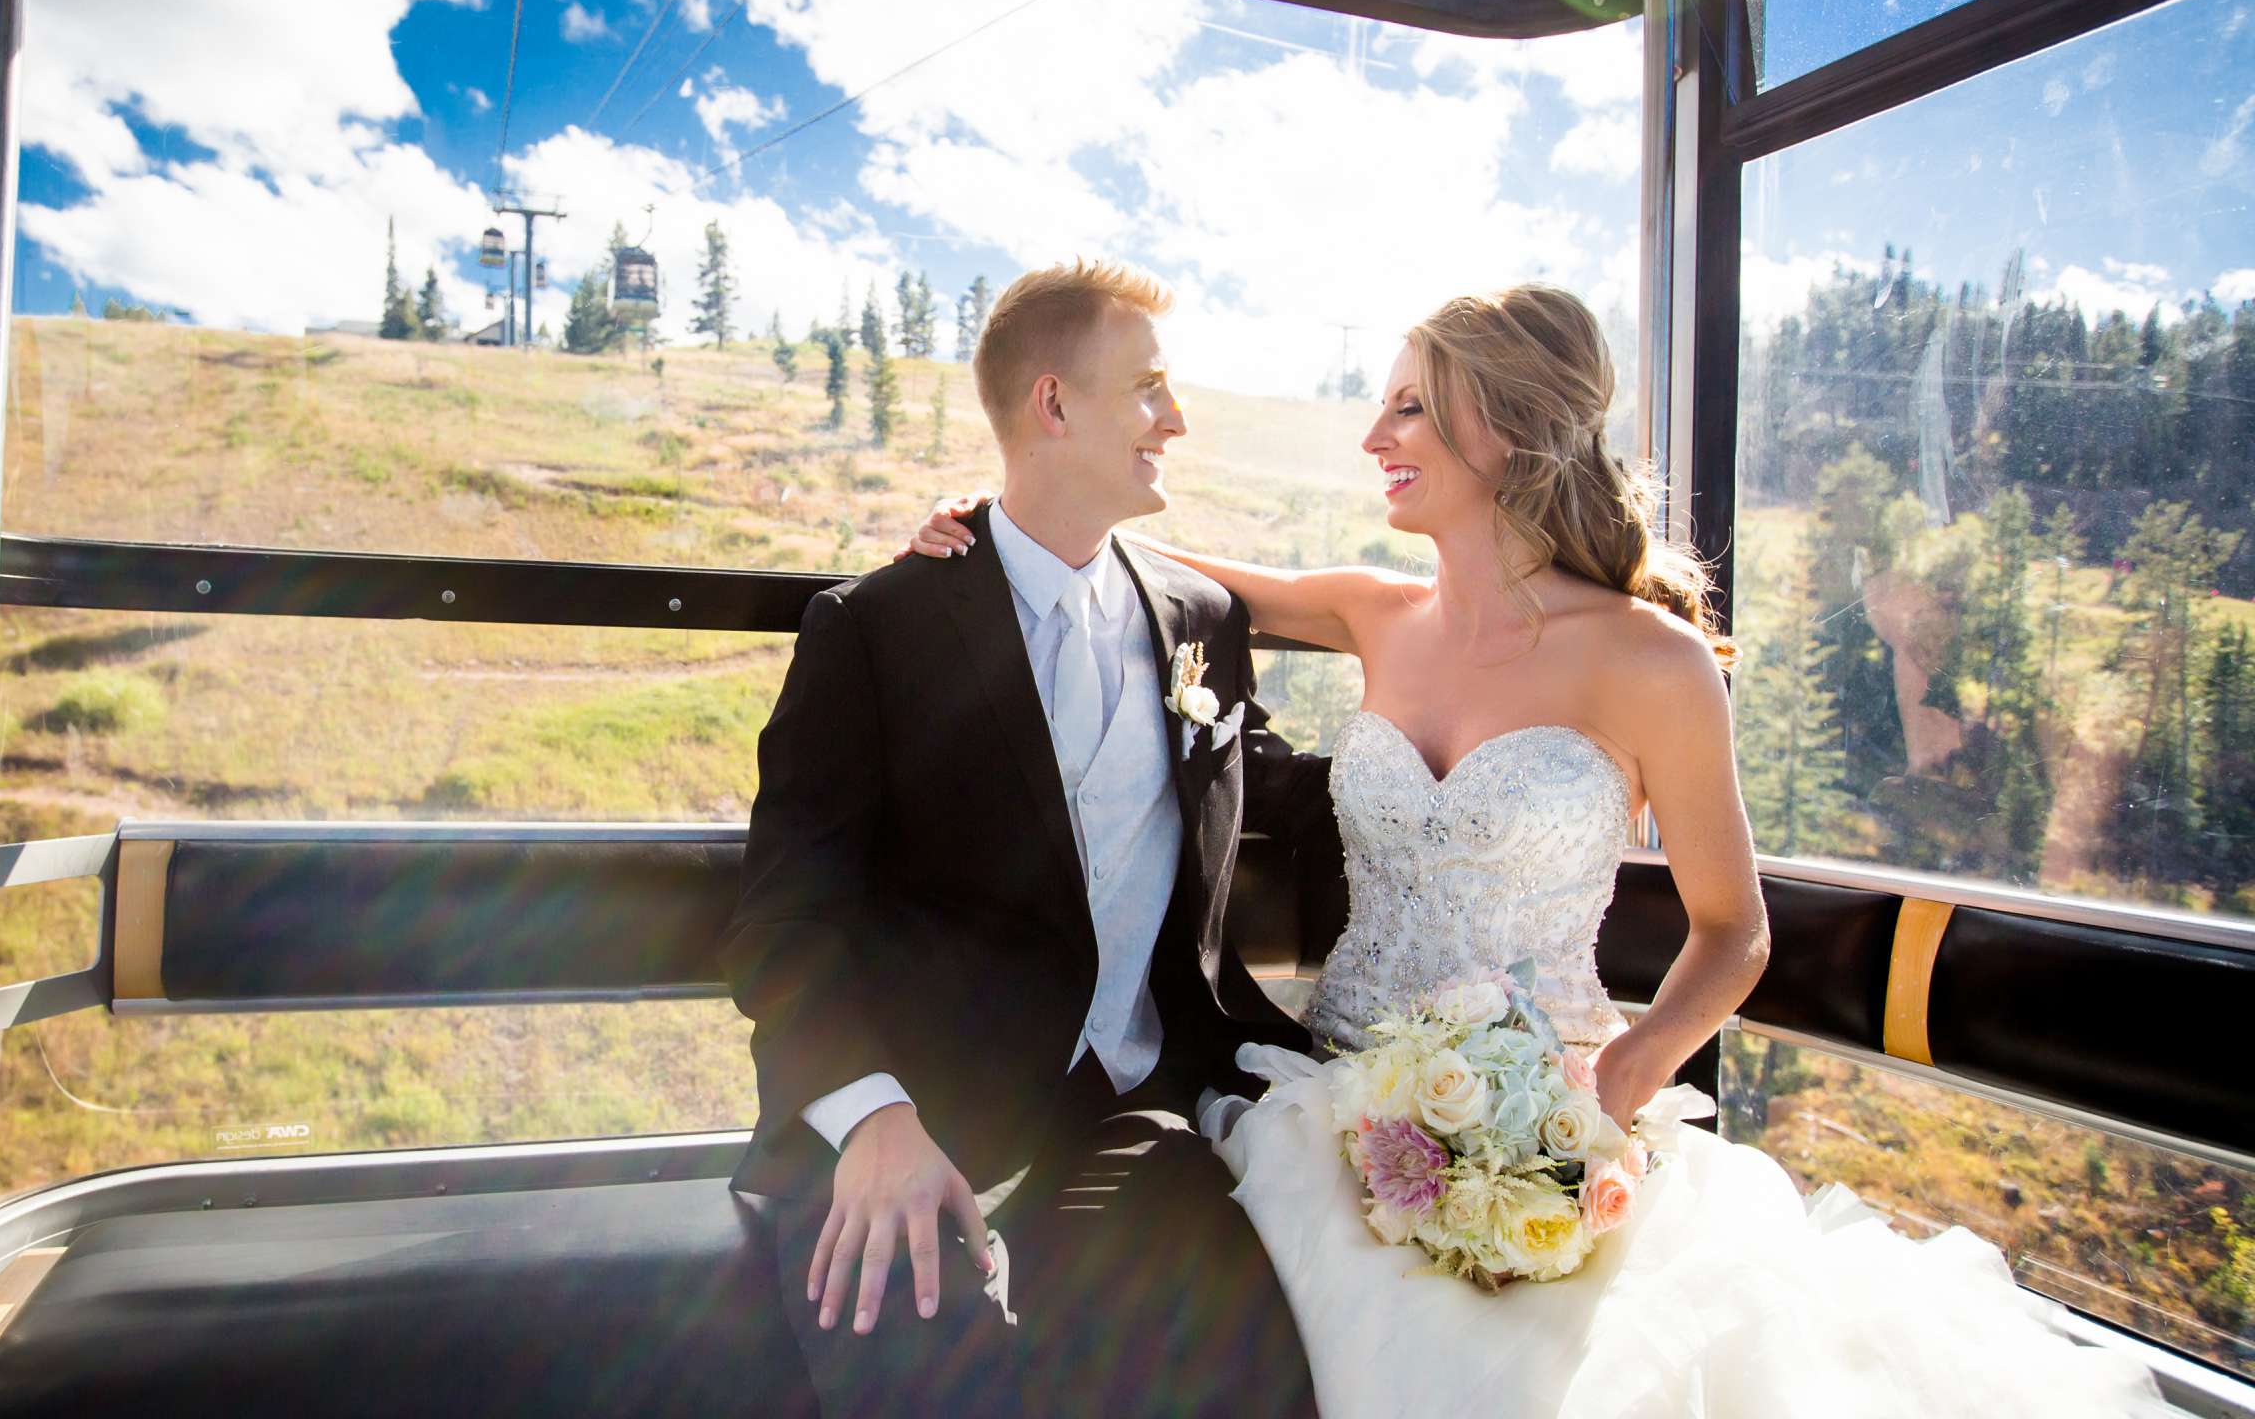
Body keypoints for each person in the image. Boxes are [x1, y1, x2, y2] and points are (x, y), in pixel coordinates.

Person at [903, 283, 2182, 1418]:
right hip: (1322, 1098)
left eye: (1407, 408)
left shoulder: (1656, 661)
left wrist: (1613, 1083)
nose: (1373, 438)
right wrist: (982, 518)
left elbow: (1735, 932)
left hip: (1553, 1117)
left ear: (1500, 429)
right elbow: (1136, 562)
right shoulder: (1371, 612)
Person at [723, 260, 1331, 1419]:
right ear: (1052, 405)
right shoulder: (875, 628)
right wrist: (877, 1119)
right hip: (917, 1117)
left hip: (1135, 1114)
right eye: (1148, 387)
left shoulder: (1200, 621)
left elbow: (1275, 785)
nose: (1178, 419)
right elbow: (782, 924)